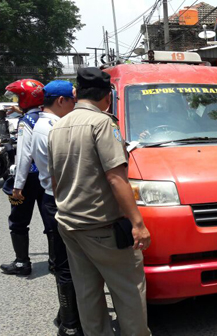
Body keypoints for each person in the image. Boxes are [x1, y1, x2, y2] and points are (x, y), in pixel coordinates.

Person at [47, 67, 151, 336]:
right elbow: (117, 178)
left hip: (69, 223)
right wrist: (138, 224)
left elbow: (55, 180)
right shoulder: (103, 123)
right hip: (101, 226)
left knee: (88, 293)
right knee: (129, 290)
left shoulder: (58, 126)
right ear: (107, 96)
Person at [30, 80, 82, 336]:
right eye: (72, 101)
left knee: (67, 262)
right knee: (65, 265)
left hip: (55, 196)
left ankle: (66, 315)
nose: (75, 106)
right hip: (58, 198)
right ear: (61, 101)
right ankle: (71, 324)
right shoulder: (52, 128)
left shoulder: (44, 125)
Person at [1, 79, 55, 276]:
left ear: (24, 98)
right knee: (50, 221)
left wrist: (17, 185)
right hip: (46, 177)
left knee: (18, 221)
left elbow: (24, 156)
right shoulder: (46, 118)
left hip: (28, 178)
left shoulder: (26, 122)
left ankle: (22, 263)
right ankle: (55, 261)